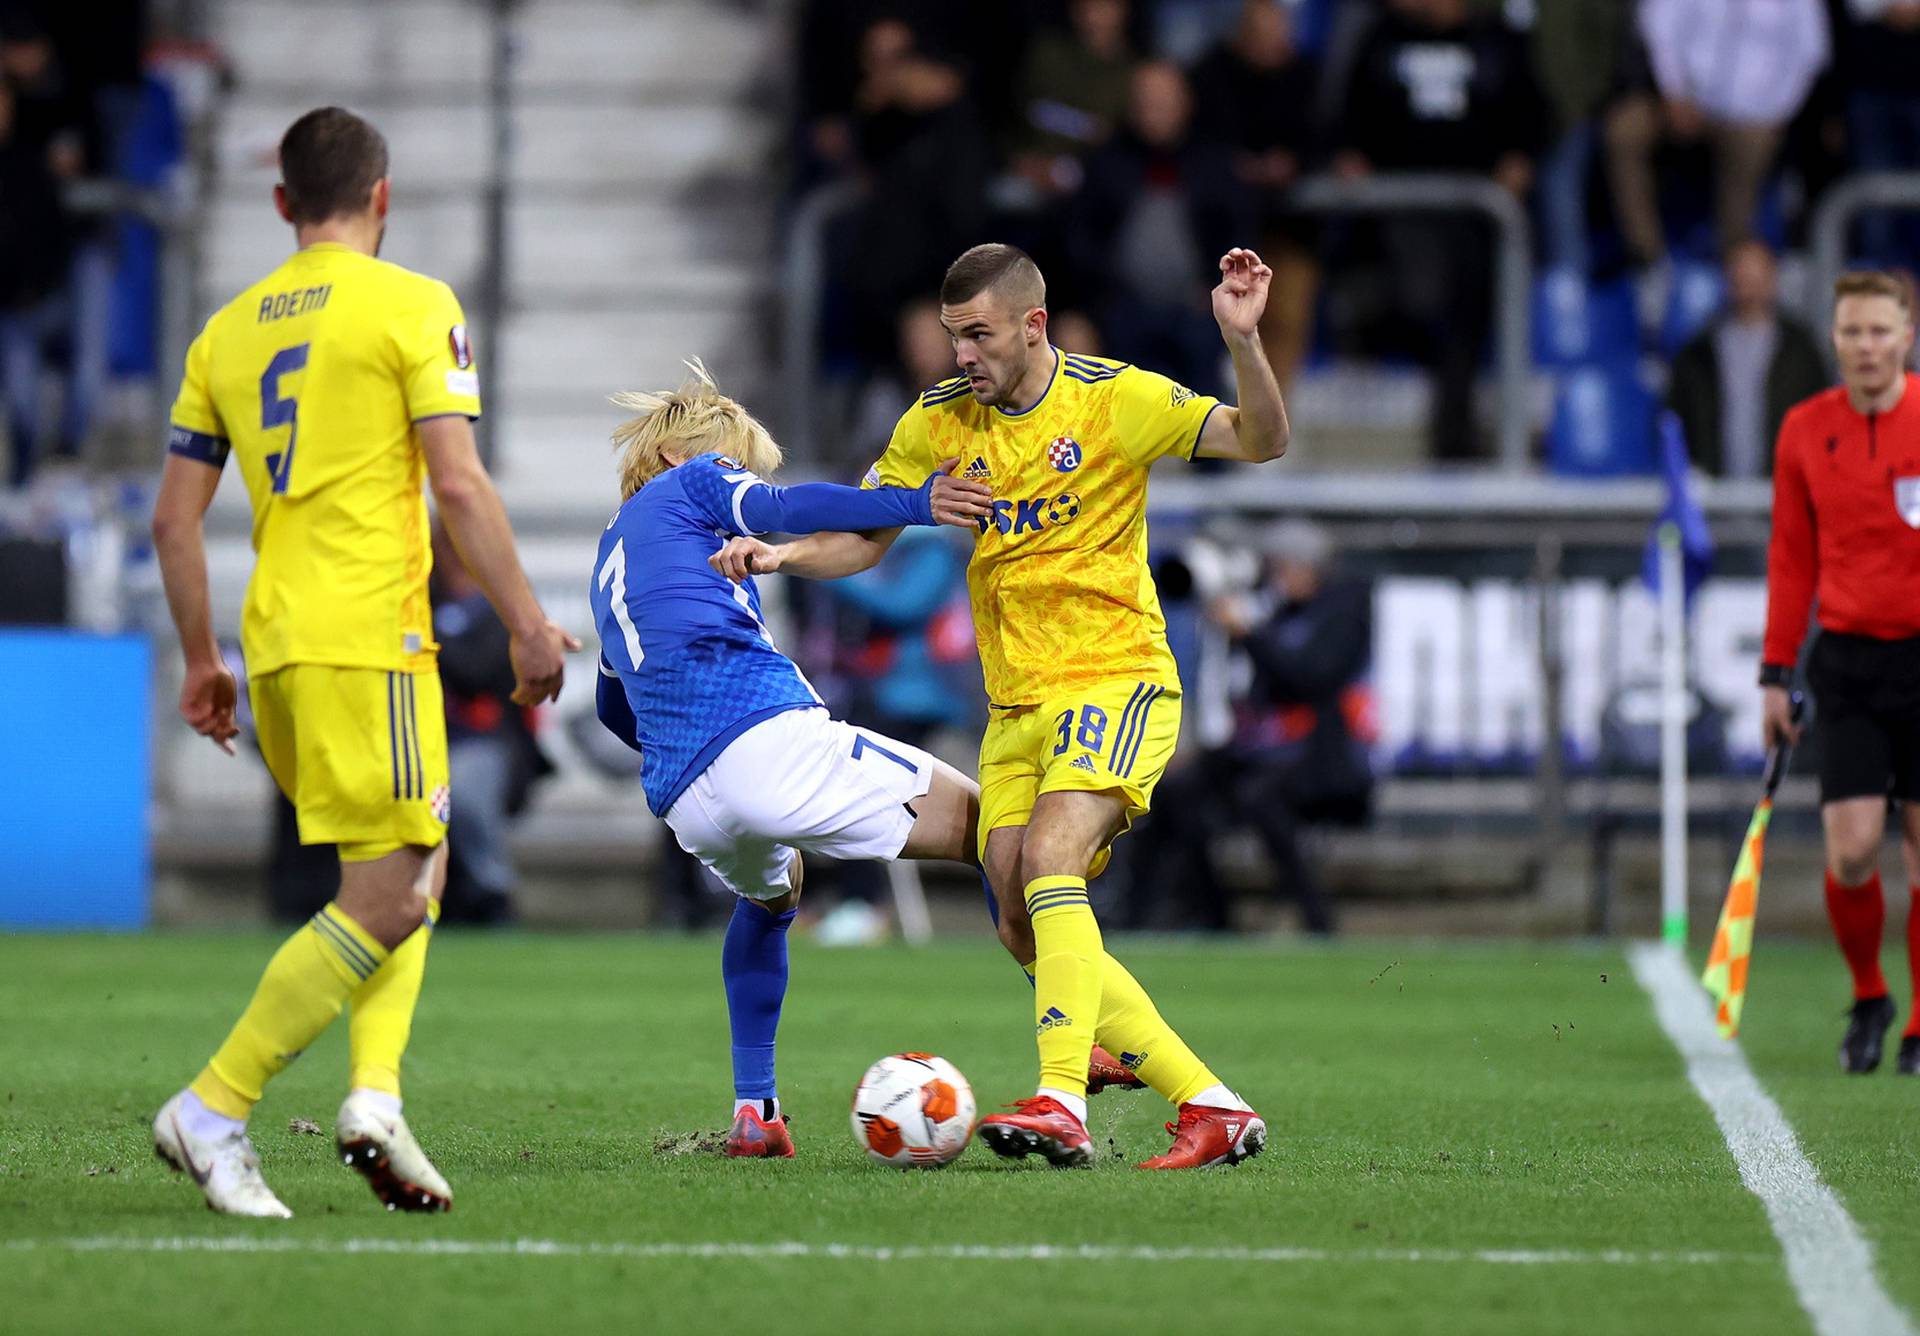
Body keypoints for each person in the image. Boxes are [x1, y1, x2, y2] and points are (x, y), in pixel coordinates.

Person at [713, 242, 1287, 1168]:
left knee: (1054, 852)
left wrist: (1242, 342)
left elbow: (1261, 441)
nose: (961, 357)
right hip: (1014, 706)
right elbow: (863, 536)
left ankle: (1063, 1099)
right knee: (1019, 913)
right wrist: (784, 556)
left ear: (1033, 325)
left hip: (1116, 677)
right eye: (952, 338)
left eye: (978, 335)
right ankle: (1211, 1106)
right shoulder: (938, 422)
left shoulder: (1115, 399)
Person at [148, 107, 576, 1216]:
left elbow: (173, 524)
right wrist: (529, 624)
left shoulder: (225, 331)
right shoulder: (412, 304)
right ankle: (213, 1105)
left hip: (276, 643)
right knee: (392, 890)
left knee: (403, 875)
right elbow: (462, 485)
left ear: (283, 202)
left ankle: (375, 1099)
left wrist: (202, 661)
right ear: (380, 198)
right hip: (368, 638)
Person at [588, 364, 992, 1158]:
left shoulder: (612, 564)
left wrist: (688, 747)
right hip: (760, 734)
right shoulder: (691, 485)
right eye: (733, 458)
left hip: (687, 801)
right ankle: (1076, 1043)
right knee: (995, 824)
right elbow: (784, 508)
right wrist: (916, 504)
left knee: (775, 898)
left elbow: (611, 706)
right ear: (678, 455)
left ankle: (757, 1112)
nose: (738, 473)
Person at [1761, 270, 1920, 1077]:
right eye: (1852, 331)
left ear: (1908, 336)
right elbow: (1791, 559)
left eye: (1880, 331)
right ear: (1834, 338)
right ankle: (1870, 995)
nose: (1866, 345)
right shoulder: (1804, 430)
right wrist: (1773, 671)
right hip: (1850, 661)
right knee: (1853, 850)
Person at [1146, 519, 1373, 935]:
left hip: (1316, 757)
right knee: (1176, 790)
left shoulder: (1341, 610)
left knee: (1260, 798)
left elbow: (1308, 676)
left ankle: (1316, 919)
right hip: (1258, 750)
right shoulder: (1272, 609)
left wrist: (1251, 633)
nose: (1278, 579)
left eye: (1286, 568)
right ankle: (1211, 918)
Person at [1665, 239, 1827, 479]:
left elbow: (1822, 418)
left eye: (1756, 279)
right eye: (1741, 279)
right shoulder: (1697, 353)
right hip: (1713, 489)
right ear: (1727, 281)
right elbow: (1677, 418)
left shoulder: (1801, 352)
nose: (1749, 289)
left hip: (1782, 487)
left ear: (1772, 280)